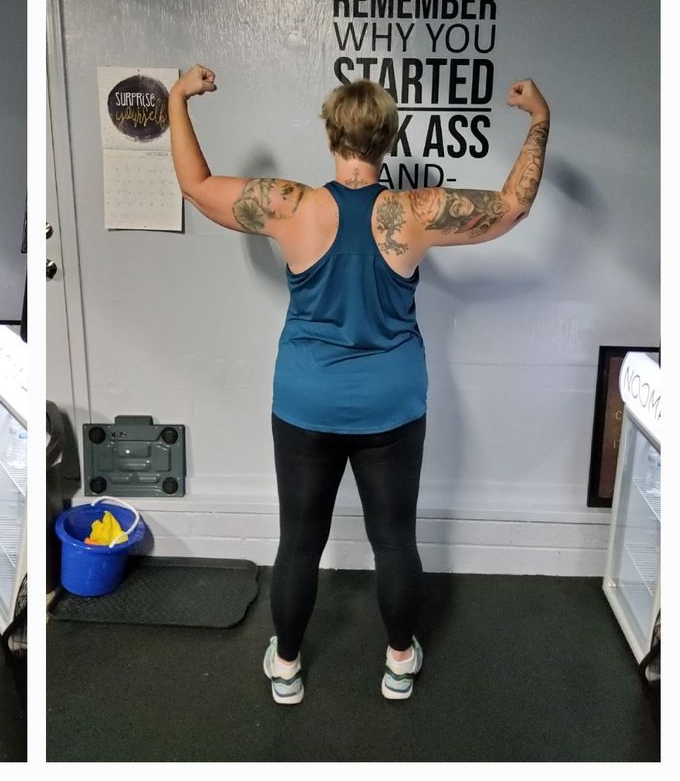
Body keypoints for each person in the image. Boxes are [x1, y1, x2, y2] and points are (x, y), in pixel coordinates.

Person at [168, 65, 550, 706]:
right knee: (395, 537)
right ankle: (400, 662)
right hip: (391, 404)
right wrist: (539, 121)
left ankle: (286, 666)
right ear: (389, 139)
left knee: (299, 538)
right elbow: (512, 207)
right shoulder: (416, 211)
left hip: (305, 401)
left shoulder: (291, 206)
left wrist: (179, 97)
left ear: (330, 136)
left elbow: (194, 183)